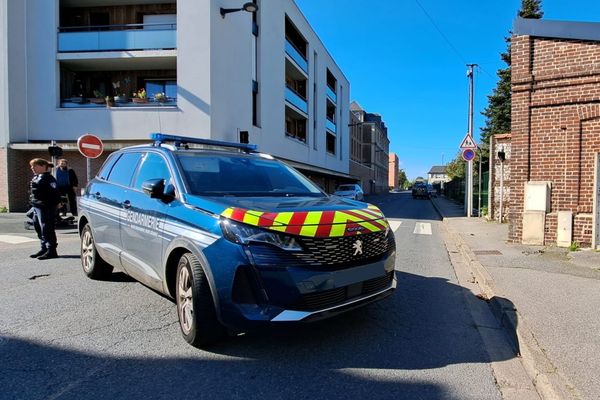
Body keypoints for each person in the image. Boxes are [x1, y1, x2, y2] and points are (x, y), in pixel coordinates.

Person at [29, 158, 61, 260]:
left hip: (46, 207)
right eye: (32, 166)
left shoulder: (48, 179)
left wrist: (57, 204)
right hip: (37, 206)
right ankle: (43, 248)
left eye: (34, 166)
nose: (32, 168)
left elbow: (55, 193)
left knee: (47, 228)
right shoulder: (37, 177)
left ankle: (51, 250)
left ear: (42, 166)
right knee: (38, 227)